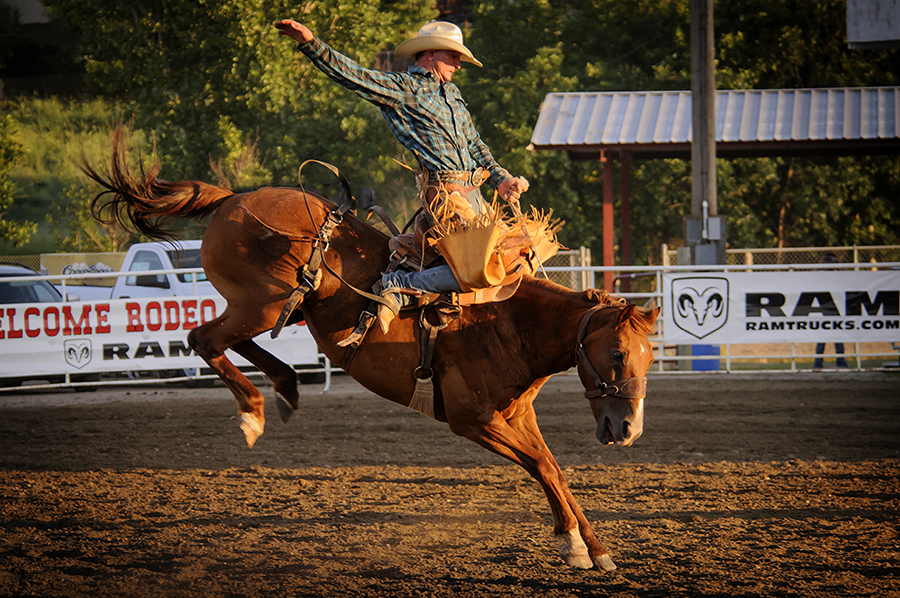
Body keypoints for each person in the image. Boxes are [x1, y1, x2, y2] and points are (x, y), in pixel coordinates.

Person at [275, 18, 529, 330]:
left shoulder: (452, 94)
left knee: (516, 257)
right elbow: (355, 76)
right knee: (476, 272)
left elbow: (475, 144)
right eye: (454, 57)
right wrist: (311, 43)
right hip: (446, 197)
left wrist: (501, 179)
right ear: (432, 53)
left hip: (474, 197)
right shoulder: (406, 88)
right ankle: (400, 283)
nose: (459, 66)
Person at [813, 253, 849, 369]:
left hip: (836, 308)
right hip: (823, 308)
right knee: (821, 338)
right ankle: (818, 363)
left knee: (838, 337)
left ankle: (841, 362)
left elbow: (851, 277)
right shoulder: (820, 274)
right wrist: (820, 264)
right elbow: (809, 276)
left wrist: (839, 264)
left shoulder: (839, 274)